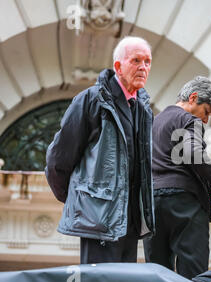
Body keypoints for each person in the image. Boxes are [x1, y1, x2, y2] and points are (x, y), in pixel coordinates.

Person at [45, 36, 154, 264]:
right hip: (99, 221)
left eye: (147, 61)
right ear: (118, 66)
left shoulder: (143, 108)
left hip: (131, 223)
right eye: (136, 60)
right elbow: (58, 160)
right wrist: (83, 202)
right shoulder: (91, 100)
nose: (143, 67)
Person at [143, 76, 211, 280]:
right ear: (193, 98)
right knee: (194, 274)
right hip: (184, 204)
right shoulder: (188, 120)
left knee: (157, 275)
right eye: (206, 112)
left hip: (152, 204)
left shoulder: (154, 121)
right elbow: (193, 152)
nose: (206, 120)